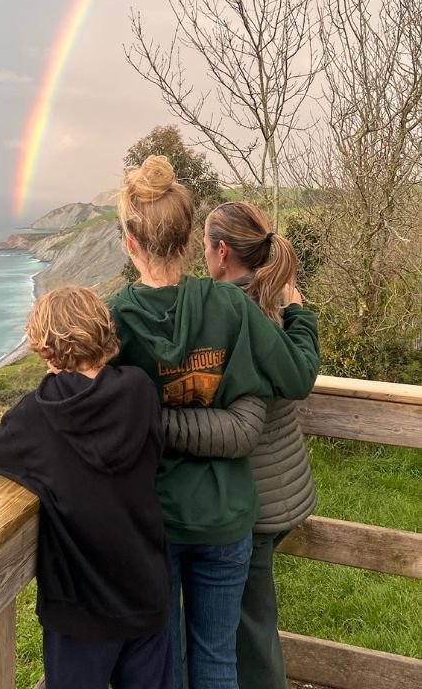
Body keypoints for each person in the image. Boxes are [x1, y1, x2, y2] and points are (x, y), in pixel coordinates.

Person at [109, 156, 319, 689]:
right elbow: (292, 377)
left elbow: (87, 411)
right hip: (227, 514)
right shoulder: (230, 305)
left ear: (130, 241)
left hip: (156, 518)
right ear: (187, 239)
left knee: (169, 662)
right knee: (219, 660)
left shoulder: (115, 320)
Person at [0, 285, 173, 689]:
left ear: (46, 350)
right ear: (102, 333)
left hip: (79, 608)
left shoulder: (35, 416)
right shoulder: (139, 391)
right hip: (146, 589)